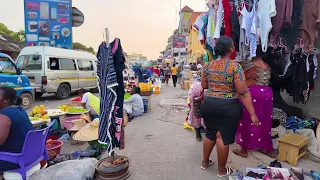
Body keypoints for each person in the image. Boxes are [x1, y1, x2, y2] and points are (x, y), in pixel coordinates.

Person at [200, 36, 259, 177]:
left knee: (210, 134)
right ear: (231, 49)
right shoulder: (235, 67)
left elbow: (204, 86)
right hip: (228, 106)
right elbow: (243, 91)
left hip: (209, 104)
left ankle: (205, 162)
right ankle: (221, 170)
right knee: (221, 138)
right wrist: (252, 113)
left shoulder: (207, 65)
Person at [233, 46, 275, 158]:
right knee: (265, 121)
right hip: (267, 93)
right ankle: (268, 149)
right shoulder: (267, 66)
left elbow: (240, 81)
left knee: (246, 120)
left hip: (253, 93)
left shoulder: (247, 64)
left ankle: (244, 149)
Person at [0, 87, 34, 171]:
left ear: (6, 100)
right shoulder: (20, 109)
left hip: (12, 160)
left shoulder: (5, 115)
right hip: (29, 155)